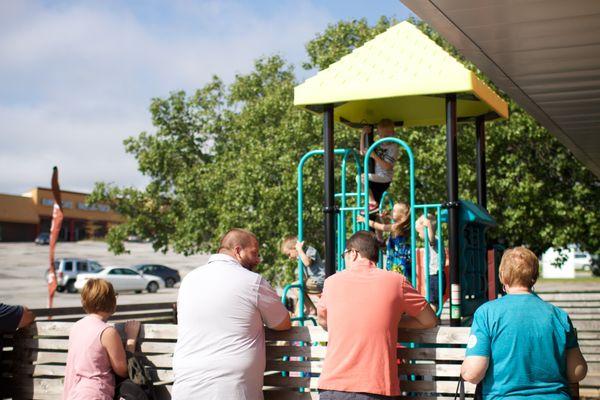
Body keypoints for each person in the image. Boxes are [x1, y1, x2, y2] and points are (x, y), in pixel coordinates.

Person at [317, 231, 437, 399]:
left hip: (332, 386)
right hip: (377, 388)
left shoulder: (331, 283)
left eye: (344, 254)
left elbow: (322, 321)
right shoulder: (397, 282)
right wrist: (392, 321)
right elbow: (429, 320)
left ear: (353, 254)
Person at [173, 228, 291, 400]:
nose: (258, 260)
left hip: (185, 381)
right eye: (254, 253)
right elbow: (282, 322)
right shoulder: (252, 281)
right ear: (238, 250)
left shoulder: (190, 279)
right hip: (232, 386)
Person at [461, 247, 588, 399]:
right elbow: (577, 372)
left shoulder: (486, 313)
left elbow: (473, 373)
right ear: (534, 277)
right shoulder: (559, 315)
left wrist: (464, 369)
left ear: (502, 276)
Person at [63, 278, 141, 400]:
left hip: (74, 392)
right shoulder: (107, 332)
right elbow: (123, 370)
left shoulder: (76, 326)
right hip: (95, 393)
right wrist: (131, 340)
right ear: (111, 300)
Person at [358, 202, 412, 279]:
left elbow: (381, 227)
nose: (391, 212)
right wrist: (387, 216)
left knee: (398, 278)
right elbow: (391, 220)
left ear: (401, 215)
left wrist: (365, 220)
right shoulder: (401, 226)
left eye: (394, 211)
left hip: (398, 261)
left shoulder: (396, 227)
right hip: (399, 258)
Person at [359, 119, 399, 212]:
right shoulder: (378, 145)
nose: (385, 138)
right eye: (382, 136)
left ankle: (372, 203)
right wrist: (363, 134)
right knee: (361, 178)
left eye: (387, 135)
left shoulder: (393, 147)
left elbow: (387, 167)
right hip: (377, 176)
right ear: (378, 134)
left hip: (385, 177)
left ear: (393, 133)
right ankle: (372, 203)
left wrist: (374, 156)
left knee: (361, 178)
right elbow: (362, 152)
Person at [415, 214, 445, 311]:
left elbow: (431, 239)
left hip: (435, 275)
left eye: (419, 232)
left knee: (433, 302)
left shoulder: (433, 240)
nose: (419, 235)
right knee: (434, 300)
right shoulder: (436, 239)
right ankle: (437, 318)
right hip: (435, 274)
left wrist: (428, 226)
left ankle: (434, 318)